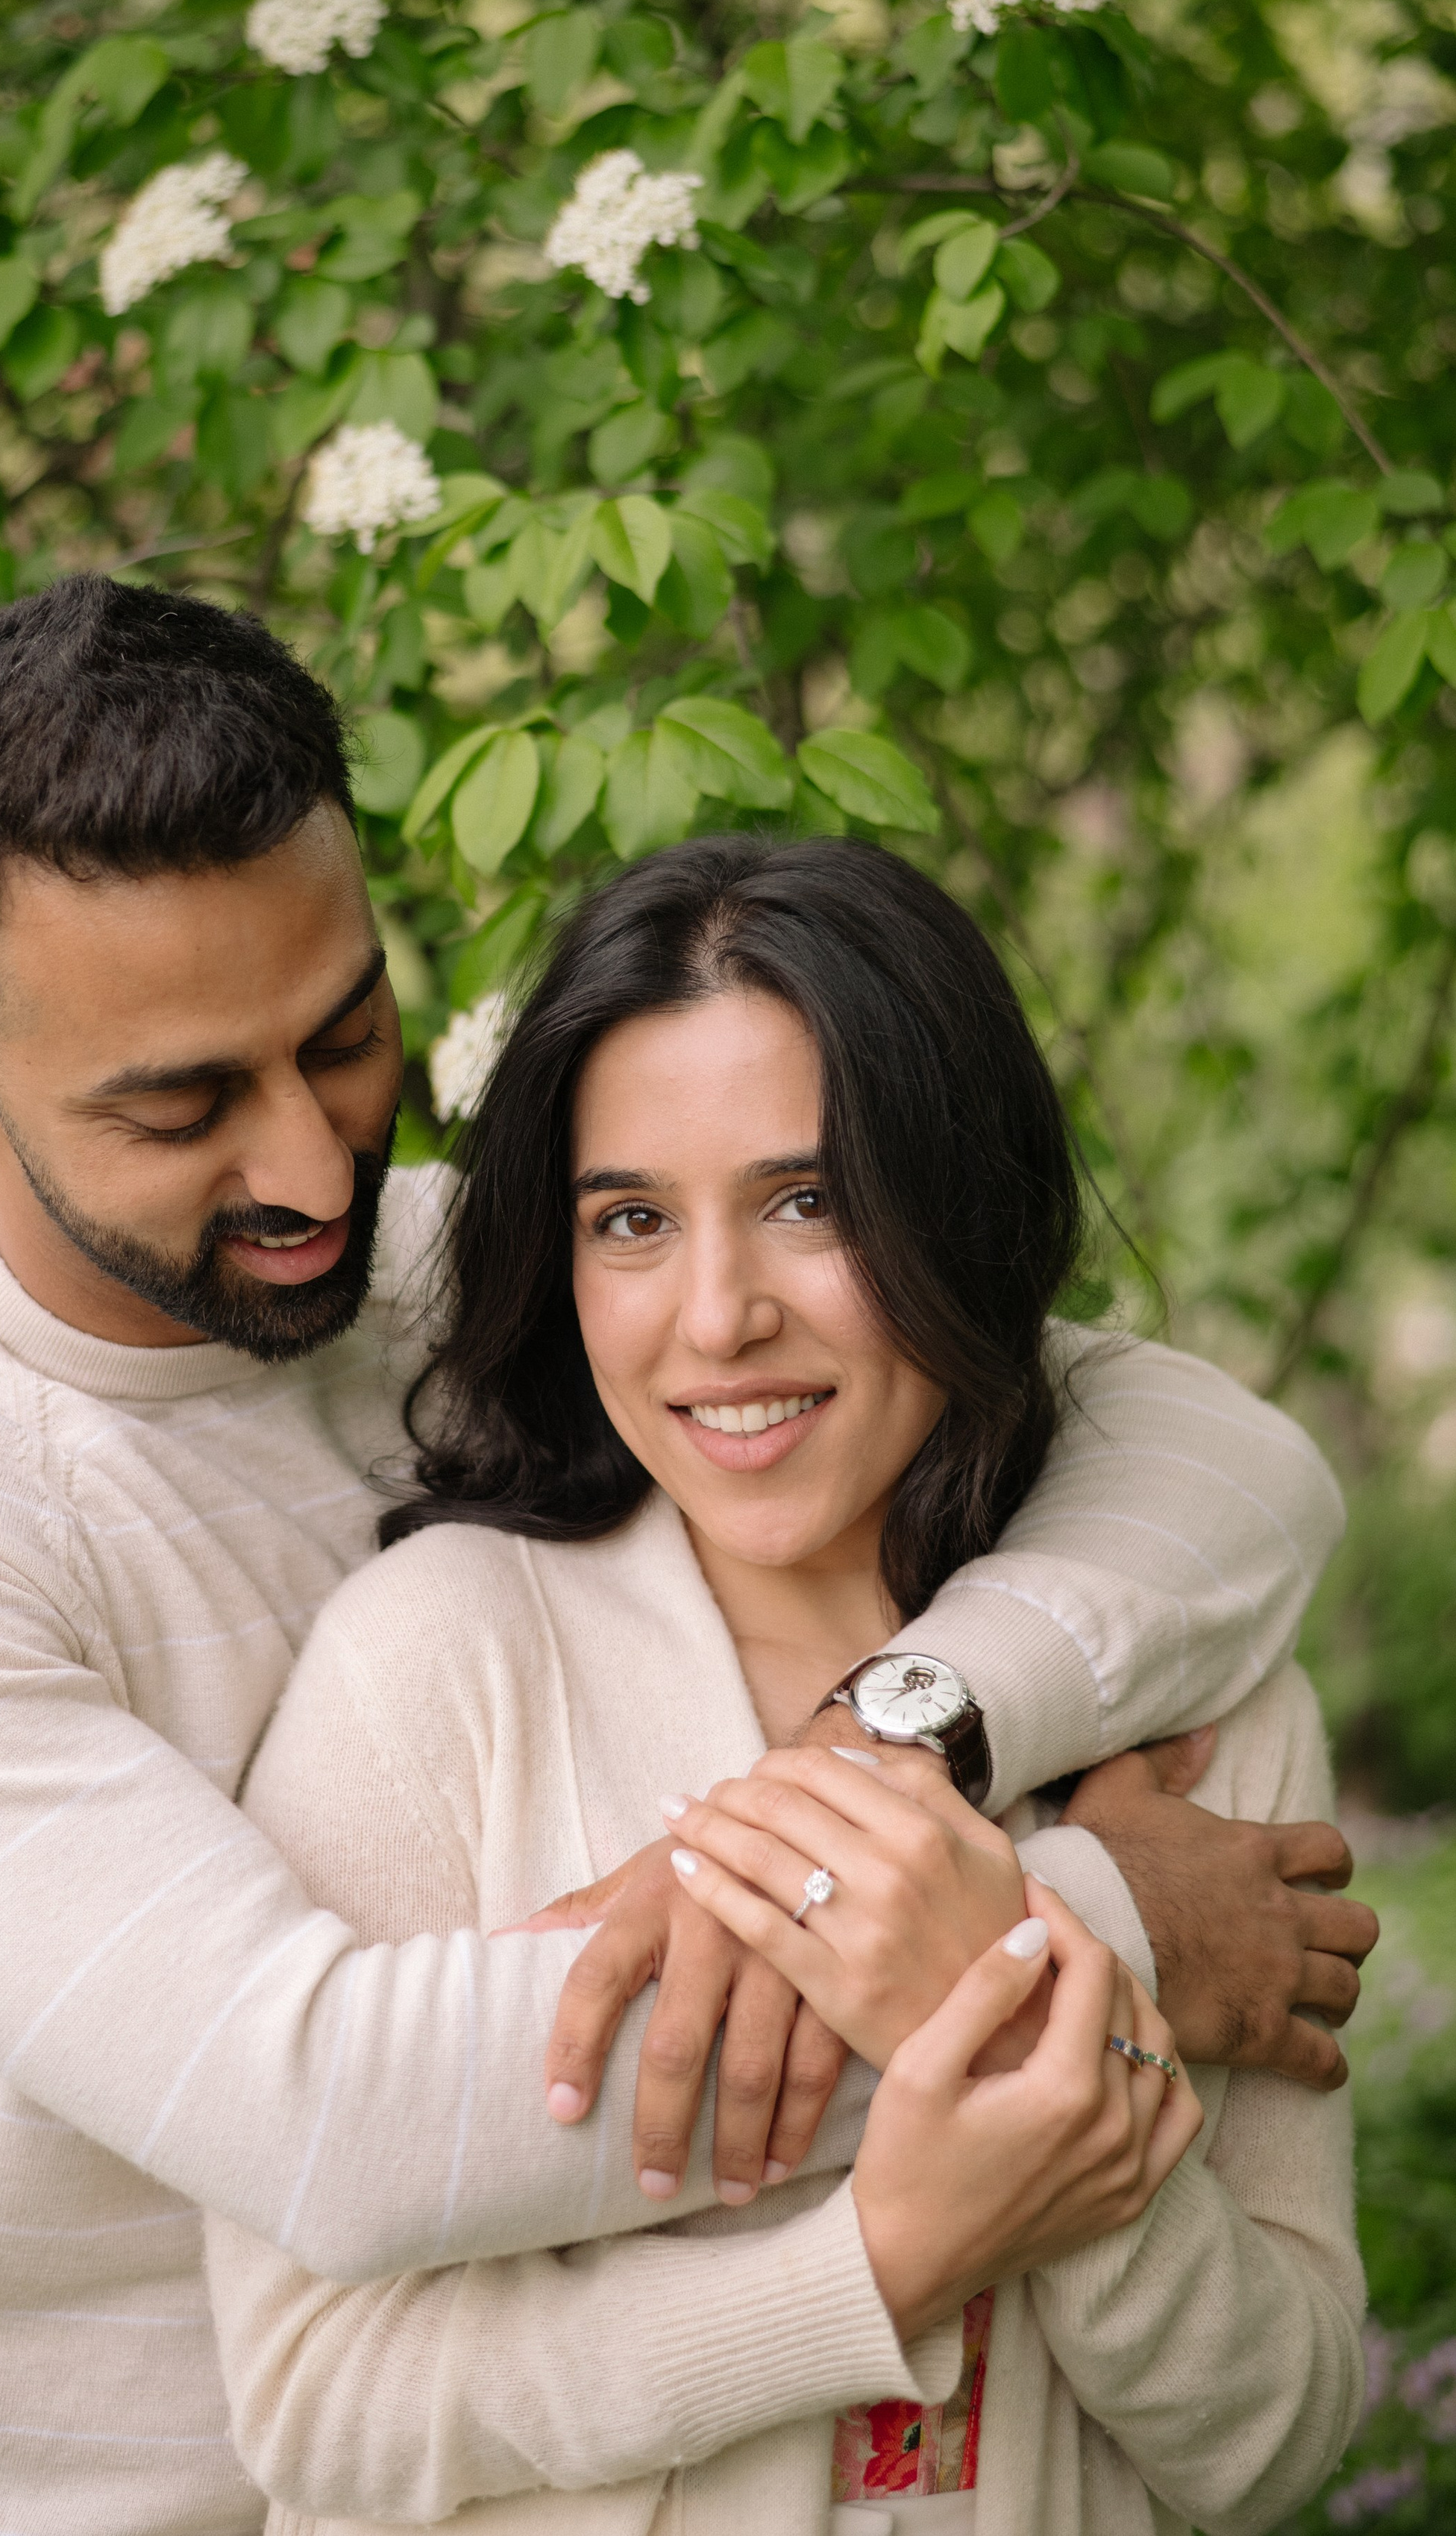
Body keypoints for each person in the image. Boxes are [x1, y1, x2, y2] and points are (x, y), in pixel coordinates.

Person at [0, 581, 1369, 2536]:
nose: (307, 1171)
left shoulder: (461, 1274)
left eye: (344, 1033)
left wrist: (902, 1738)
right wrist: (1089, 1936)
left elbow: (1209, 1451)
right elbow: (338, 2115)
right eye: (181, 1102)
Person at [204, 835, 1364, 2536]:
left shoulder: (1195, 1713)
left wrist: (1074, 2172)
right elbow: (318, 2409)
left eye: (805, 1202)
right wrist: (882, 2255)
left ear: (953, 1206)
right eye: (630, 1222)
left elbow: (1272, 2443)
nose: (716, 1315)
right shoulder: (436, 1668)